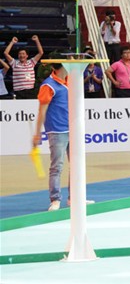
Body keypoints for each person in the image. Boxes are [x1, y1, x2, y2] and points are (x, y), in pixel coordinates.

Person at [32, 55, 81, 211]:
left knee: (77, 165)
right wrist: (37, 133)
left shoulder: (70, 81)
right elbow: (42, 111)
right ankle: (55, 199)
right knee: (57, 167)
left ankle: (74, 198)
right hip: (57, 131)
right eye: (67, 64)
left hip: (73, 129)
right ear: (58, 67)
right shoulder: (48, 86)